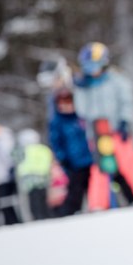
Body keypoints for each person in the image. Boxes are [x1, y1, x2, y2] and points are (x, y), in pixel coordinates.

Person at [74, 42, 133, 209]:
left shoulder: (116, 80)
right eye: (88, 67)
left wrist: (125, 121)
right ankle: (97, 204)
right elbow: (82, 111)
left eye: (94, 65)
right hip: (97, 135)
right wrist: (81, 89)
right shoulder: (85, 87)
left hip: (117, 131)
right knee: (100, 169)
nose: (92, 70)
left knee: (130, 164)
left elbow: (127, 102)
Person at [48, 87, 94, 216]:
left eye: (69, 103)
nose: (67, 106)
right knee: (75, 190)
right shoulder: (58, 122)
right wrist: (62, 158)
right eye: (63, 104)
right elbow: (56, 142)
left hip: (89, 159)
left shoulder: (80, 118)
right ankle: (68, 214)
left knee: (93, 188)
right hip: (73, 162)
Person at [14, 128, 54, 221]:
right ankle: (44, 215)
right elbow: (48, 160)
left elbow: (15, 158)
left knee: (34, 200)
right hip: (42, 177)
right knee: (41, 198)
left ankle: (38, 216)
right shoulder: (43, 149)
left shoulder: (23, 150)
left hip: (30, 179)